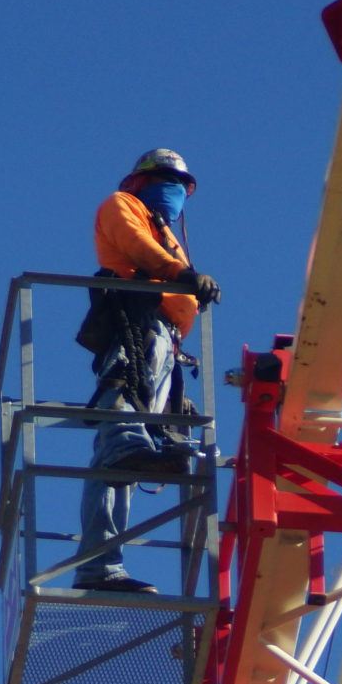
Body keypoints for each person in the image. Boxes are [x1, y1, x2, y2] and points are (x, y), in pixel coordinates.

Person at [74, 148, 220, 593]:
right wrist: (181, 273)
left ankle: (104, 566)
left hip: (164, 340)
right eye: (166, 181)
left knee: (130, 457)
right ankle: (98, 567)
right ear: (141, 180)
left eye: (180, 186)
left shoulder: (165, 232)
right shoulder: (124, 206)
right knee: (120, 440)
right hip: (134, 325)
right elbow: (138, 249)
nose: (174, 191)